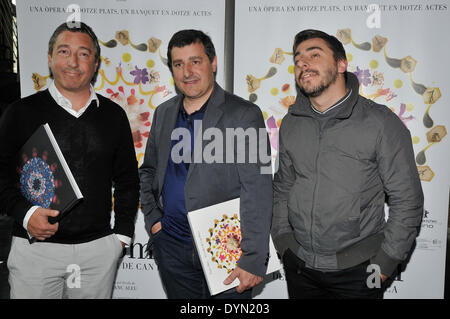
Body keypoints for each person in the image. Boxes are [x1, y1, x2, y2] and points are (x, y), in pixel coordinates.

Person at [271, 29, 424, 299]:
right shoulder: (292, 123)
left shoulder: (380, 123)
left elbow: (407, 199)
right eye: (297, 60)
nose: (303, 64)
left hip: (361, 271)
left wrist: (385, 264)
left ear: (341, 64)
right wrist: (283, 241)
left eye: (314, 55)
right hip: (300, 267)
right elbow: (283, 186)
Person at [0, 22, 140, 298]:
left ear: (96, 63)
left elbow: (127, 180)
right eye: (64, 51)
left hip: (98, 251)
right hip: (34, 249)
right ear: (50, 58)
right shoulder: (20, 113)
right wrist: (25, 215)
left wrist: (121, 237)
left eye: (84, 54)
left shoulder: (113, 116)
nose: (73, 62)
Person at [139, 29, 272, 299]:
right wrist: (154, 222)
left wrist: (254, 257)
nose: (187, 71)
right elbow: (149, 171)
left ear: (213, 63)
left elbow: (257, 189)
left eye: (195, 61)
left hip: (227, 251)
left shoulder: (245, 114)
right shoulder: (164, 113)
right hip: (172, 248)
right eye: (178, 64)